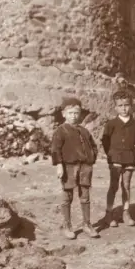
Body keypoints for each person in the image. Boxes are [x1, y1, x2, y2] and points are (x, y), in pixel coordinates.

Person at [51, 96, 100, 240]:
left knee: (85, 196)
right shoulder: (60, 131)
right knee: (67, 196)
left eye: (76, 113)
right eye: (71, 113)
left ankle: (87, 224)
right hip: (68, 167)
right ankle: (67, 226)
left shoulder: (84, 131)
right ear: (64, 114)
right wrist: (59, 165)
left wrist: (91, 159)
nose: (74, 116)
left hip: (85, 167)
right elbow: (55, 150)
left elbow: (93, 146)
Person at [101, 90, 135, 228]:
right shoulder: (111, 124)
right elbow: (105, 141)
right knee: (113, 186)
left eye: (126, 105)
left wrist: (134, 155)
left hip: (129, 158)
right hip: (115, 158)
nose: (124, 108)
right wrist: (111, 155)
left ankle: (126, 212)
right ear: (115, 107)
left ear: (131, 106)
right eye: (120, 105)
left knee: (126, 186)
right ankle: (109, 213)